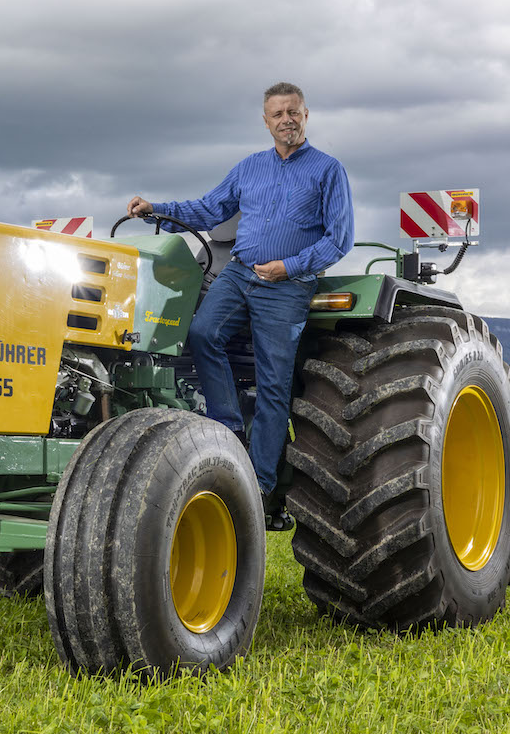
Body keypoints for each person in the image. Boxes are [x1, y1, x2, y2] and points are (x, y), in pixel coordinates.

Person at [126, 81, 354, 510]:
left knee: (273, 384)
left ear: (306, 115)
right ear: (266, 121)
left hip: (287, 285)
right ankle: (228, 430)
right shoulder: (250, 167)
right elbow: (210, 209)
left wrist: (289, 266)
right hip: (239, 272)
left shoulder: (328, 170)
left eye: (293, 112)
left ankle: (259, 485)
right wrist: (157, 209)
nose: (286, 120)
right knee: (201, 333)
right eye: (277, 114)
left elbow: (339, 239)